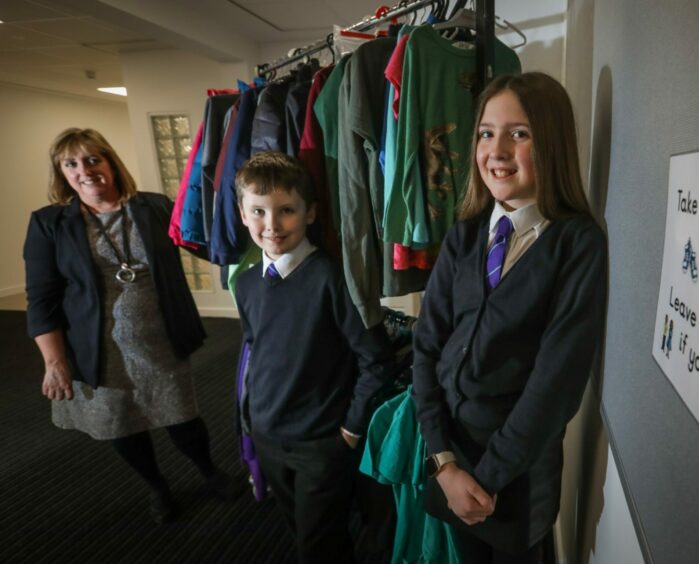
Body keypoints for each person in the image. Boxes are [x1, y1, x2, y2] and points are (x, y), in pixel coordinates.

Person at [411, 72, 609, 563]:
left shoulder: (577, 244)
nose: (496, 150)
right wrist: (443, 461)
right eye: (486, 133)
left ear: (553, 144)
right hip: (450, 459)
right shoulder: (464, 236)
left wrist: (484, 479)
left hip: (514, 474)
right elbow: (427, 347)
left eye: (519, 134)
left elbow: (555, 386)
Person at [24, 128, 240, 525]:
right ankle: (157, 486)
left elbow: (209, 243)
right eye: (71, 164)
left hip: (161, 338)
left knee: (182, 417)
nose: (84, 171)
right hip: (98, 346)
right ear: (61, 172)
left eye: (92, 159)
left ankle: (209, 472)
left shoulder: (154, 207)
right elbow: (41, 298)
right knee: (121, 422)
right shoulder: (50, 223)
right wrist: (54, 362)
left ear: (110, 163)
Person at [233, 151, 393, 563]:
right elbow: (254, 350)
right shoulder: (247, 283)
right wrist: (250, 420)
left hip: (320, 441)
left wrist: (351, 430)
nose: (271, 225)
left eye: (286, 210)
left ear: (309, 213)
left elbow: (376, 360)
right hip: (268, 432)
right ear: (243, 213)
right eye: (259, 211)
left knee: (318, 545)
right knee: (297, 527)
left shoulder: (335, 280)